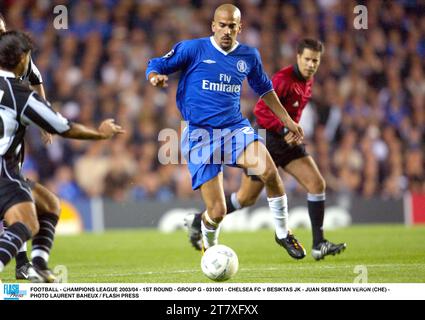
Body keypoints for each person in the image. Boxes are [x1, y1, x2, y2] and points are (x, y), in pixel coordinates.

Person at [147, 4, 306, 259]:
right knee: (217, 212)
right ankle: (210, 248)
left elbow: (265, 89)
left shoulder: (248, 56)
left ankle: (282, 233)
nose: (226, 30)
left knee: (268, 171)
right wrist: (155, 77)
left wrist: (287, 120)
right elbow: (157, 64)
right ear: (213, 26)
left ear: (239, 28)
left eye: (232, 26)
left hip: (235, 129)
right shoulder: (193, 49)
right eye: (222, 25)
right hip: (199, 135)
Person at [186, 39, 347, 260]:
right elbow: (261, 110)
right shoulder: (283, 80)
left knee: (317, 183)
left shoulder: (308, 80)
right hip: (268, 139)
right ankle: (200, 219)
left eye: (315, 61)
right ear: (298, 57)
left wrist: (290, 134)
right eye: (307, 59)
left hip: (288, 143)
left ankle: (319, 243)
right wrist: (283, 130)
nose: (311, 64)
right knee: (245, 199)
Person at [0, 30, 124, 282]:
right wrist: (100, 134)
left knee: (49, 204)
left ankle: (38, 266)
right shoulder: (17, 93)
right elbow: (64, 127)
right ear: (22, 58)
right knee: (26, 224)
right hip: (3, 170)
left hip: (8, 171)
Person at [0, 13, 61, 281]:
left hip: (10, 138)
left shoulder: (14, 54)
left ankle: (24, 263)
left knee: (19, 201)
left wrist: (45, 119)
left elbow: (36, 79)